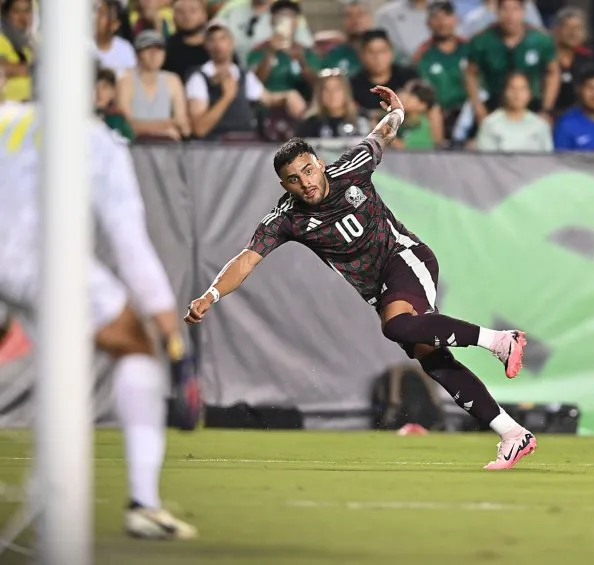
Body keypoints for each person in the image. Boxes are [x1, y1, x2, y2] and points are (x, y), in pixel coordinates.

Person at [185, 85, 537, 470]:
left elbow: (381, 134)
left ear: (319, 162)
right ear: (284, 185)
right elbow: (247, 259)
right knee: (432, 360)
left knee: (398, 326)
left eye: (307, 170)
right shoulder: (287, 218)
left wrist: (398, 111)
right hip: (380, 290)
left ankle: (500, 340)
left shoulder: (351, 168)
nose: (305, 183)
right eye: (293, 179)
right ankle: (512, 434)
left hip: (406, 257)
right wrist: (211, 294)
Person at [0, 84, 200, 538]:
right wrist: (171, 335)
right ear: (101, 91)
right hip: (38, 260)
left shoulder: (6, 117)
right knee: (135, 342)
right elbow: (130, 246)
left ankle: (50, 477)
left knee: (58, 356)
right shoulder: (95, 139)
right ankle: (144, 503)